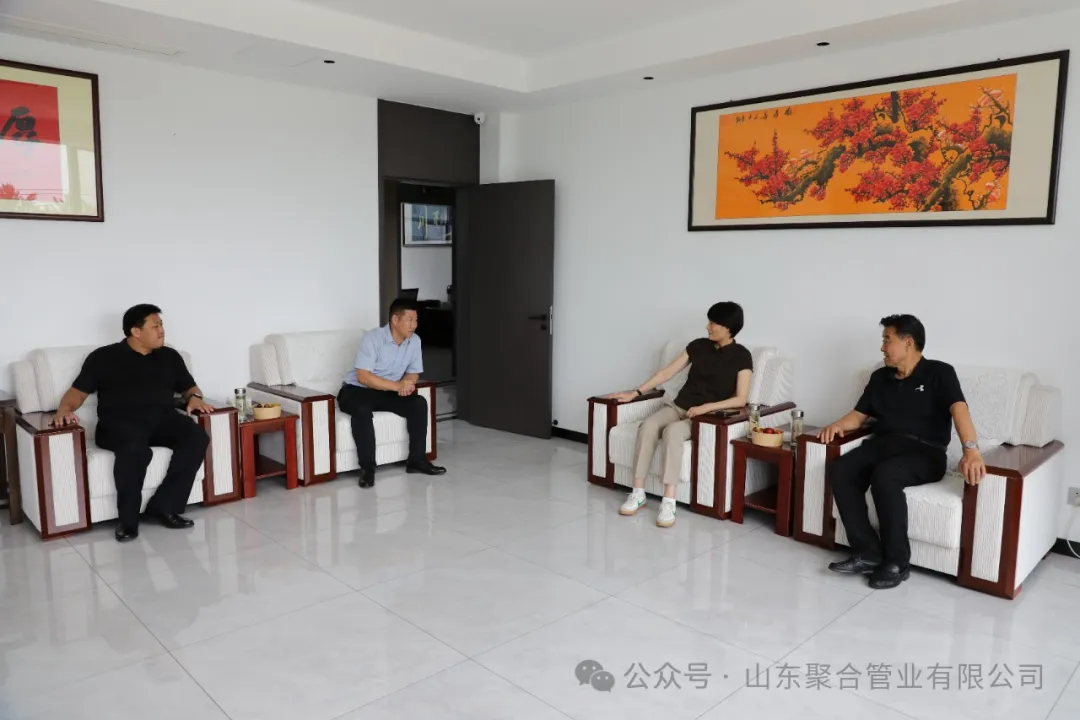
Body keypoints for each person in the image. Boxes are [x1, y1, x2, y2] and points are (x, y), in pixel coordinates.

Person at [818, 314, 986, 589]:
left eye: (887, 340)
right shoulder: (880, 377)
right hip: (883, 445)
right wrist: (837, 425)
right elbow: (858, 416)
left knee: (885, 476)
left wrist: (971, 450)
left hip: (925, 452)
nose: (882, 347)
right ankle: (868, 552)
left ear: (908, 342)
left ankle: (897, 562)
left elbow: (959, 410)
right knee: (841, 468)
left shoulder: (940, 372)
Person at [51, 304, 213, 542]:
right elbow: (78, 393)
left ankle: (165, 506)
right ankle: (128, 521)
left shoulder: (170, 356)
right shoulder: (103, 357)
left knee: (196, 437)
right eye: (155, 326)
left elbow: (190, 388)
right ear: (136, 332)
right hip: (118, 424)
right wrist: (64, 410)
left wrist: (196, 397)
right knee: (134, 449)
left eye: (161, 325)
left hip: (162, 420)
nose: (161, 330)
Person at [606, 302, 753, 528]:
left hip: (703, 417)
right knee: (649, 425)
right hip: (679, 406)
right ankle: (638, 492)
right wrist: (635, 393)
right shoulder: (698, 346)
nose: (707, 327)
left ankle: (669, 501)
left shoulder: (742, 356)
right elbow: (666, 373)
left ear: (727, 327)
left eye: (712, 323)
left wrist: (706, 408)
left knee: (673, 432)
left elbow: (741, 399)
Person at [337, 298, 446, 488]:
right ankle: (368, 469)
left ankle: (417, 460)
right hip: (356, 390)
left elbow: (413, 372)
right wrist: (397, 386)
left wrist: (408, 384)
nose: (414, 325)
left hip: (387, 391)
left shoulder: (415, 341)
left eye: (416, 320)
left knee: (418, 403)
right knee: (362, 410)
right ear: (395, 320)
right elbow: (363, 377)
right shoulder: (373, 339)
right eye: (410, 320)